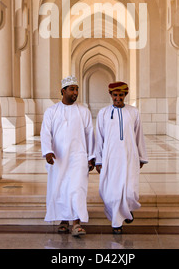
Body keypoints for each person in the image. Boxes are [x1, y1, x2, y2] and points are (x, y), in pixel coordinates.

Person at [40, 76, 95, 237]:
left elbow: (90, 134)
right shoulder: (52, 111)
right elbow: (45, 133)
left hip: (78, 157)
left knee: (77, 189)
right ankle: (63, 221)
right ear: (63, 91)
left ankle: (76, 223)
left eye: (76, 89)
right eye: (72, 89)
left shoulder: (83, 111)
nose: (75, 92)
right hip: (58, 158)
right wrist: (48, 151)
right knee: (60, 188)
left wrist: (91, 156)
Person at [95, 81, 148, 234]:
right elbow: (99, 138)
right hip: (110, 158)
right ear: (110, 95)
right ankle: (116, 223)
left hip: (130, 156)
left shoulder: (133, 112)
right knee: (112, 193)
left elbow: (139, 135)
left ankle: (127, 209)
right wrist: (99, 159)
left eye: (121, 95)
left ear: (125, 95)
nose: (118, 98)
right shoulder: (103, 113)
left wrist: (141, 157)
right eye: (115, 95)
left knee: (131, 191)